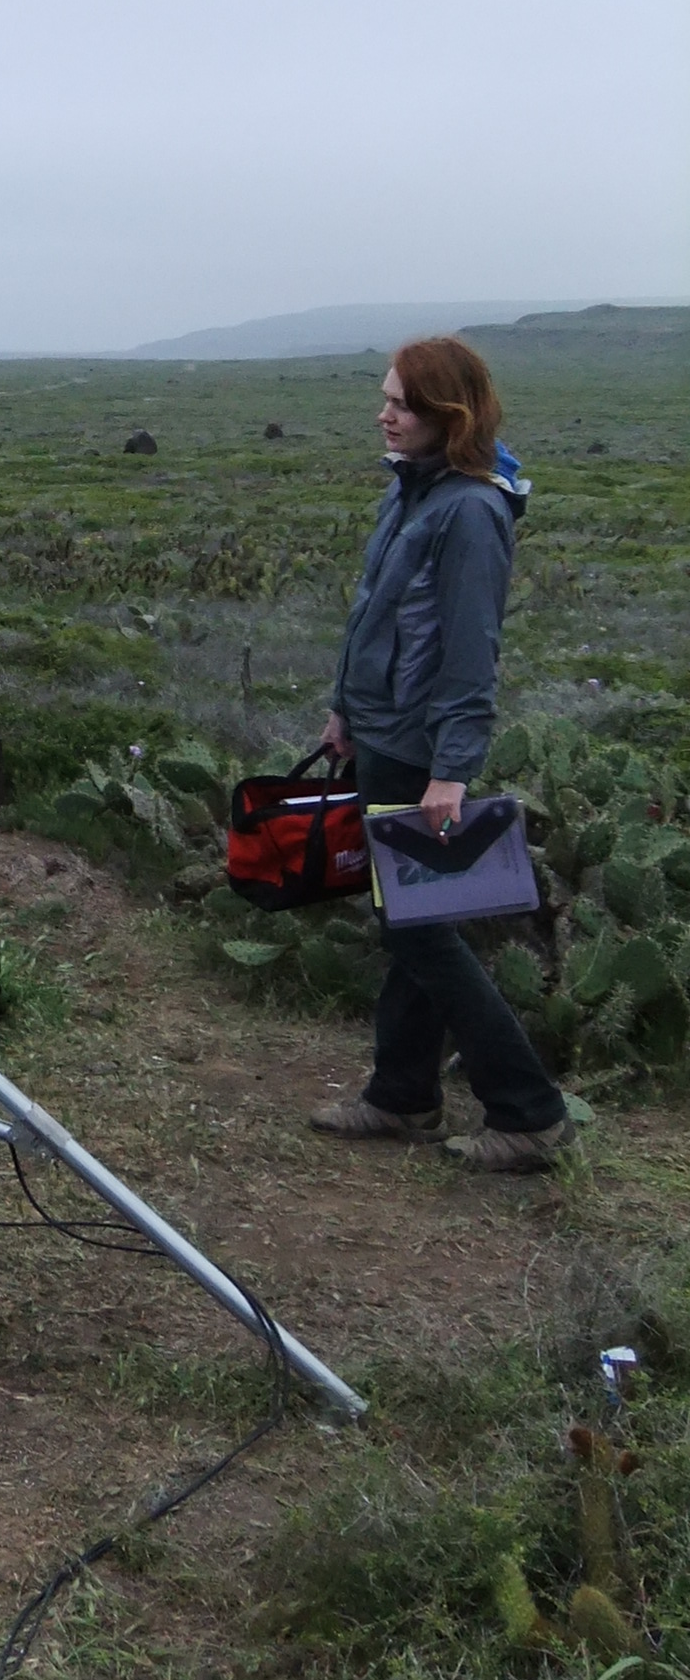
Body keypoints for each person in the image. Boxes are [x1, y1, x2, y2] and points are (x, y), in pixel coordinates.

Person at [309, 336, 572, 1171]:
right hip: (383, 733)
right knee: (411, 922)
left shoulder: (469, 511)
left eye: (404, 404)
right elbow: (375, 612)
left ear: (449, 415)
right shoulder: (411, 491)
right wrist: (345, 708)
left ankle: (528, 1110)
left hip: (423, 751)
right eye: (385, 397)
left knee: (418, 932)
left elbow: (469, 655)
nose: (385, 413)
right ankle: (403, 1093)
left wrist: (450, 773)